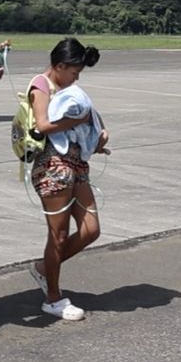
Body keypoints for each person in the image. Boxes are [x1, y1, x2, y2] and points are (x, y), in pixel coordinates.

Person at [26, 38, 107, 321]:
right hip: (52, 166)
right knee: (58, 235)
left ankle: (43, 268)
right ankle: (53, 298)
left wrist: (98, 137)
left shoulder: (69, 90)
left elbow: (90, 118)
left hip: (77, 164)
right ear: (59, 66)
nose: (76, 78)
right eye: (74, 72)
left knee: (91, 229)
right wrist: (77, 121)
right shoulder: (41, 85)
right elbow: (43, 125)